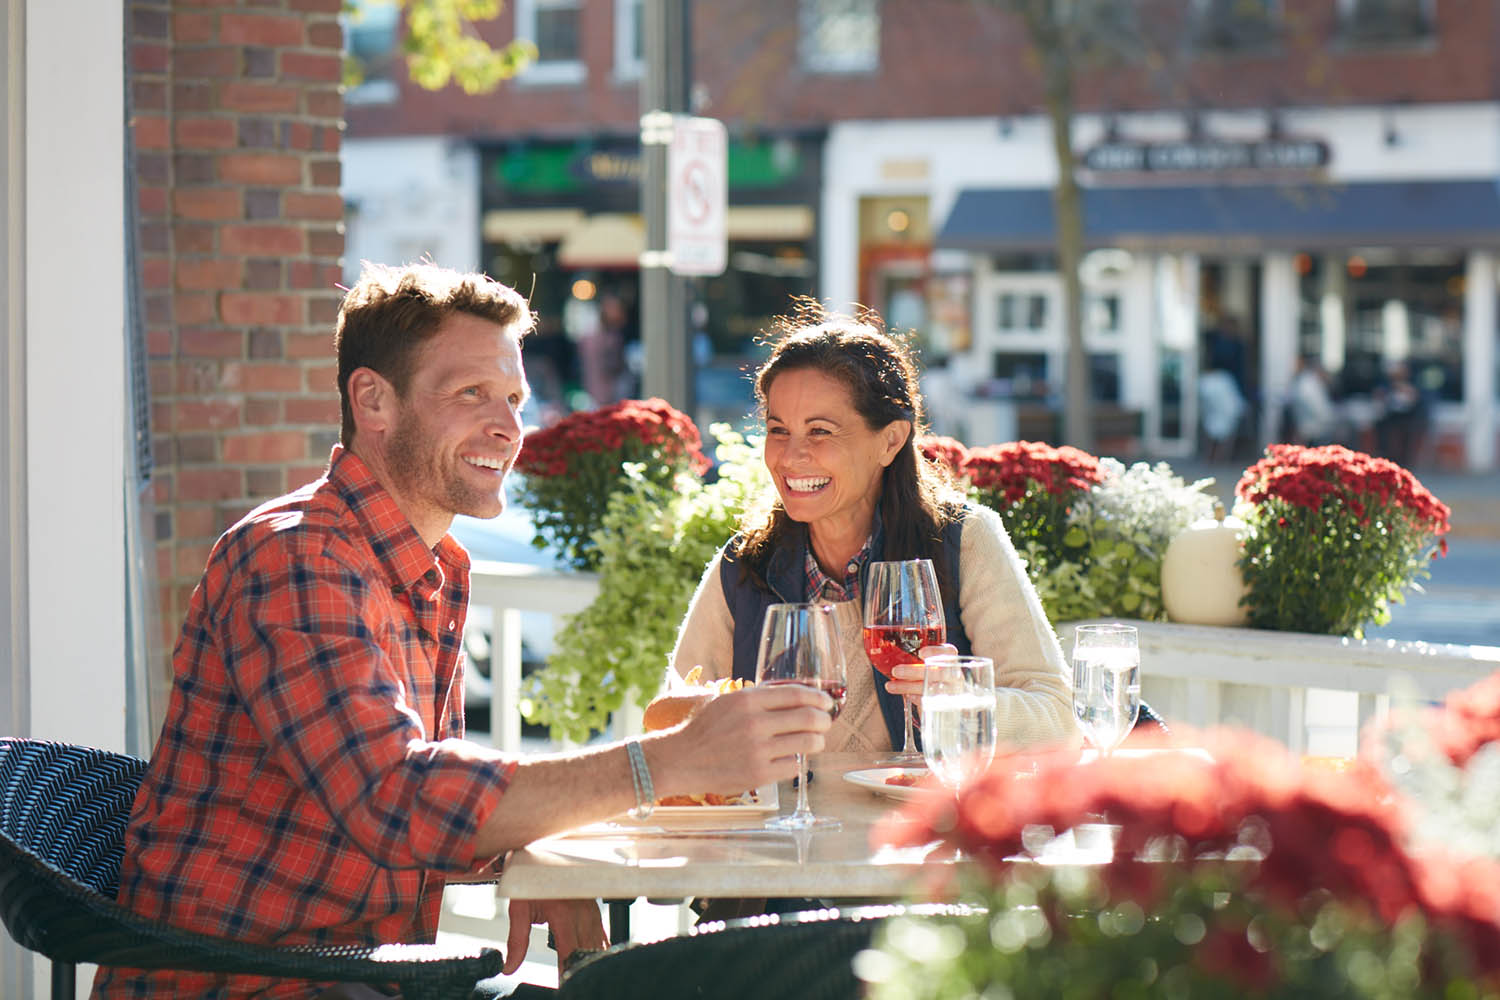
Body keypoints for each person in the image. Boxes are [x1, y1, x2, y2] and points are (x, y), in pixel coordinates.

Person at [92, 262, 834, 1000]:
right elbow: (395, 799)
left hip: (357, 976)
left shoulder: (427, 560)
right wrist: (667, 763)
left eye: (514, 396)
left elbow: (415, 787)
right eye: (471, 393)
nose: (509, 426)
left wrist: (525, 844)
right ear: (373, 399)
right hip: (256, 984)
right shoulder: (295, 557)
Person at [666, 300, 1075, 759]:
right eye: (778, 429)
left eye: (819, 431)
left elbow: (1058, 720)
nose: (790, 455)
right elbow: (674, 717)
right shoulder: (744, 564)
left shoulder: (964, 542)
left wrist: (966, 701)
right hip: (781, 830)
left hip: (923, 828)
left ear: (891, 440)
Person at [1288, 355, 1340, 446]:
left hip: (1310, 429)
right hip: (1314, 431)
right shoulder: (1309, 384)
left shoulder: (1306, 382)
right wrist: (1334, 418)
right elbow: (1321, 411)